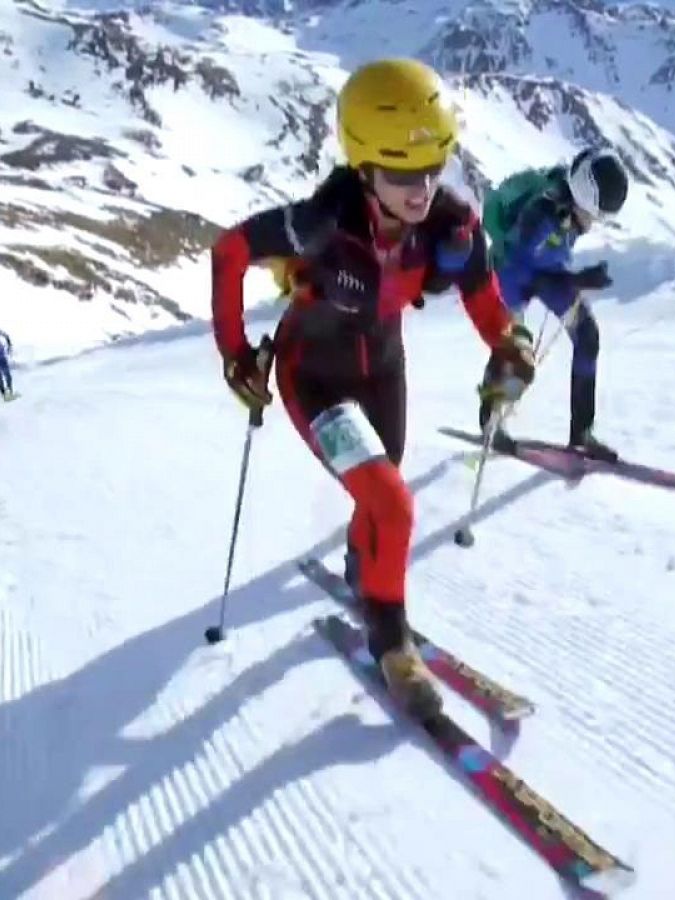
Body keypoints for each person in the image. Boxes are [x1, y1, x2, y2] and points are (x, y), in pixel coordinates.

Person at [208, 57, 536, 718]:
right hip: (316, 377)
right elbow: (230, 252)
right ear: (363, 168)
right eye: (400, 175)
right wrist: (236, 354)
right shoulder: (319, 225)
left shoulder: (451, 228)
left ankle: (367, 572)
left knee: (379, 499)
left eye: (431, 170)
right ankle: (392, 643)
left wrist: (511, 343)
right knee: (392, 505)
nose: (420, 190)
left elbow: (485, 300)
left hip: (385, 372)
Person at [476, 146, 629, 461]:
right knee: (513, 351)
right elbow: (526, 268)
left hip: (547, 271)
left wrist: (575, 279)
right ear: (584, 198)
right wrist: (578, 280)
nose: (594, 222)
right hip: (511, 273)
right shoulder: (541, 214)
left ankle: (582, 432)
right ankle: (491, 418)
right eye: (595, 215)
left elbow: (546, 264)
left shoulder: (570, 202)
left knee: (587, 336)